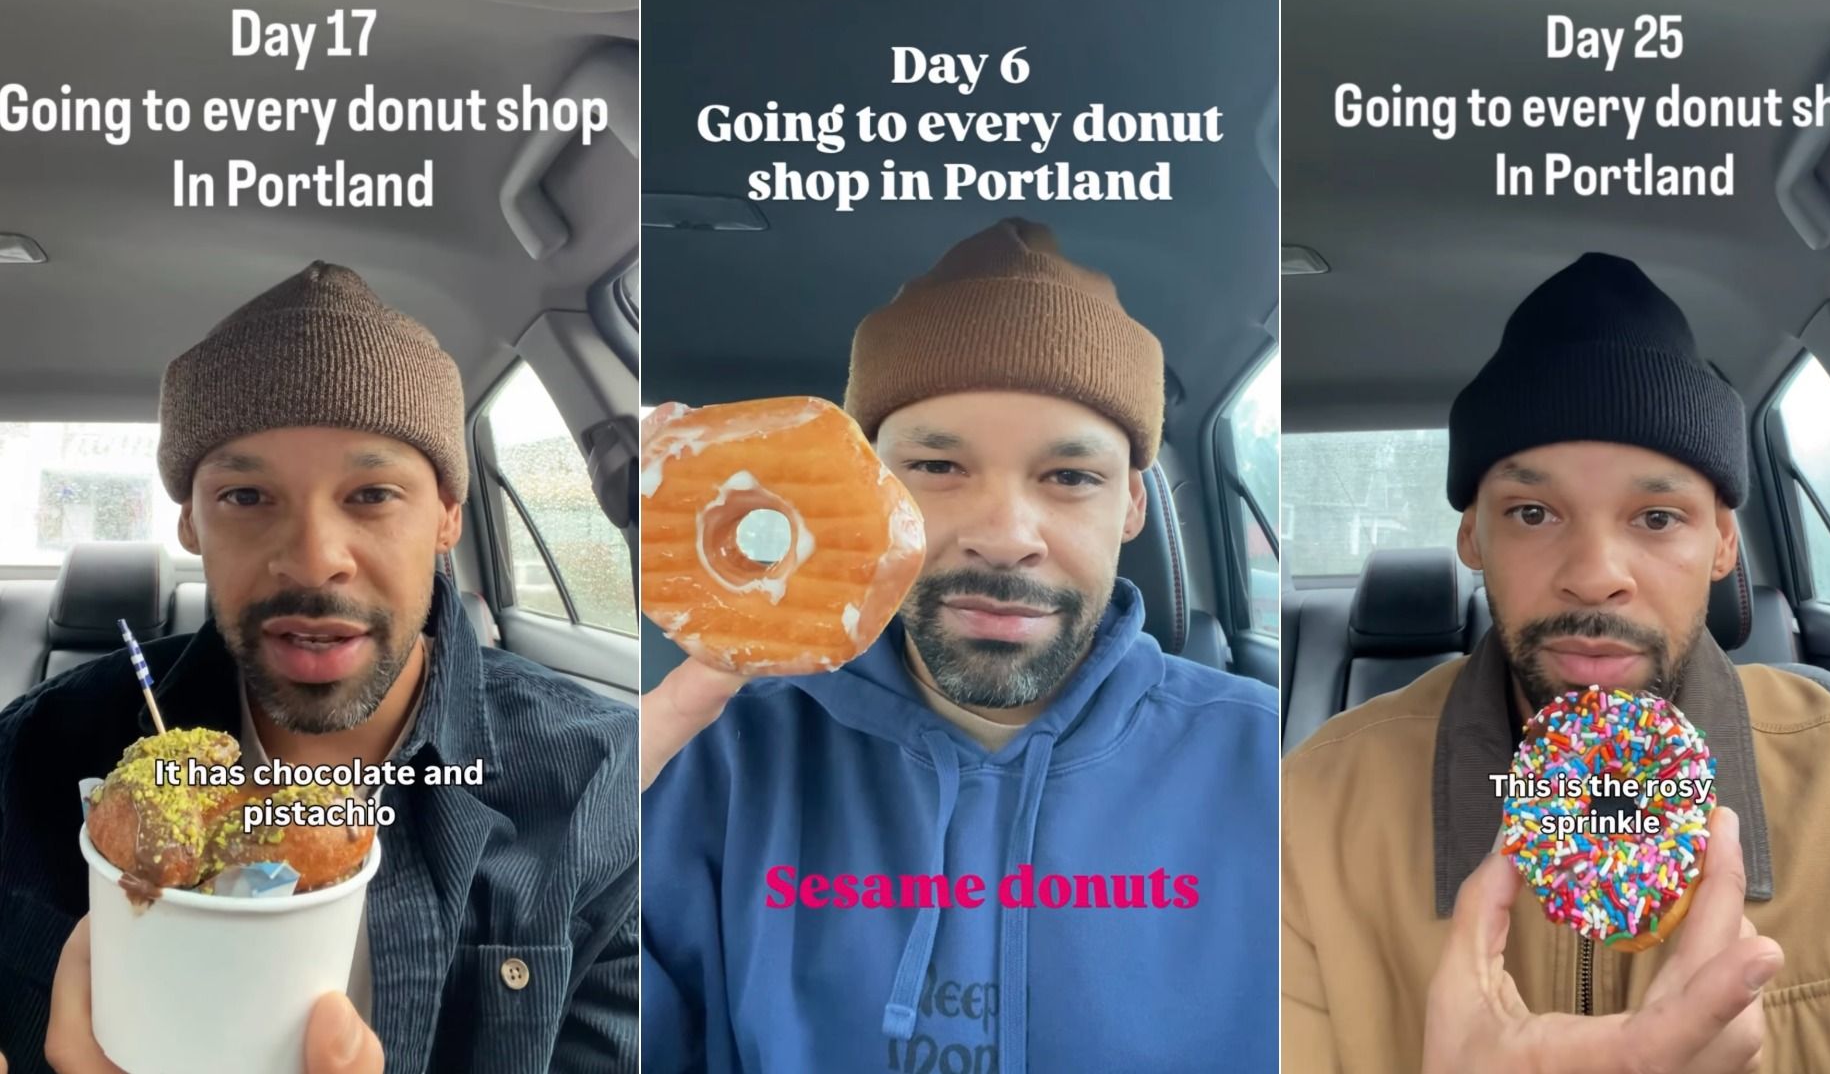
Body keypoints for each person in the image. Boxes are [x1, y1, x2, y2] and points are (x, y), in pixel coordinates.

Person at [640, 219, 1280, 1073]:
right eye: (938, 468)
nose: (1004, 535)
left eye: (1069, 478)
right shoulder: (705, 767)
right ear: (864, 489)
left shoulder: (1269, 763)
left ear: (1130, 504)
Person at [1281, 253, 1830, 1072]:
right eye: (1534, 511)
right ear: (1473, 534)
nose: (1594, 572)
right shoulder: (1309, 820)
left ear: (1723, 541)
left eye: (1656, 516)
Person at [0, 264, 639, 1074]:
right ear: (190, 524)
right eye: (245, 496)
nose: (312, 561)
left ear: (447, 513)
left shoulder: (609, 783)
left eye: (371, 494)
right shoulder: (31, 758)